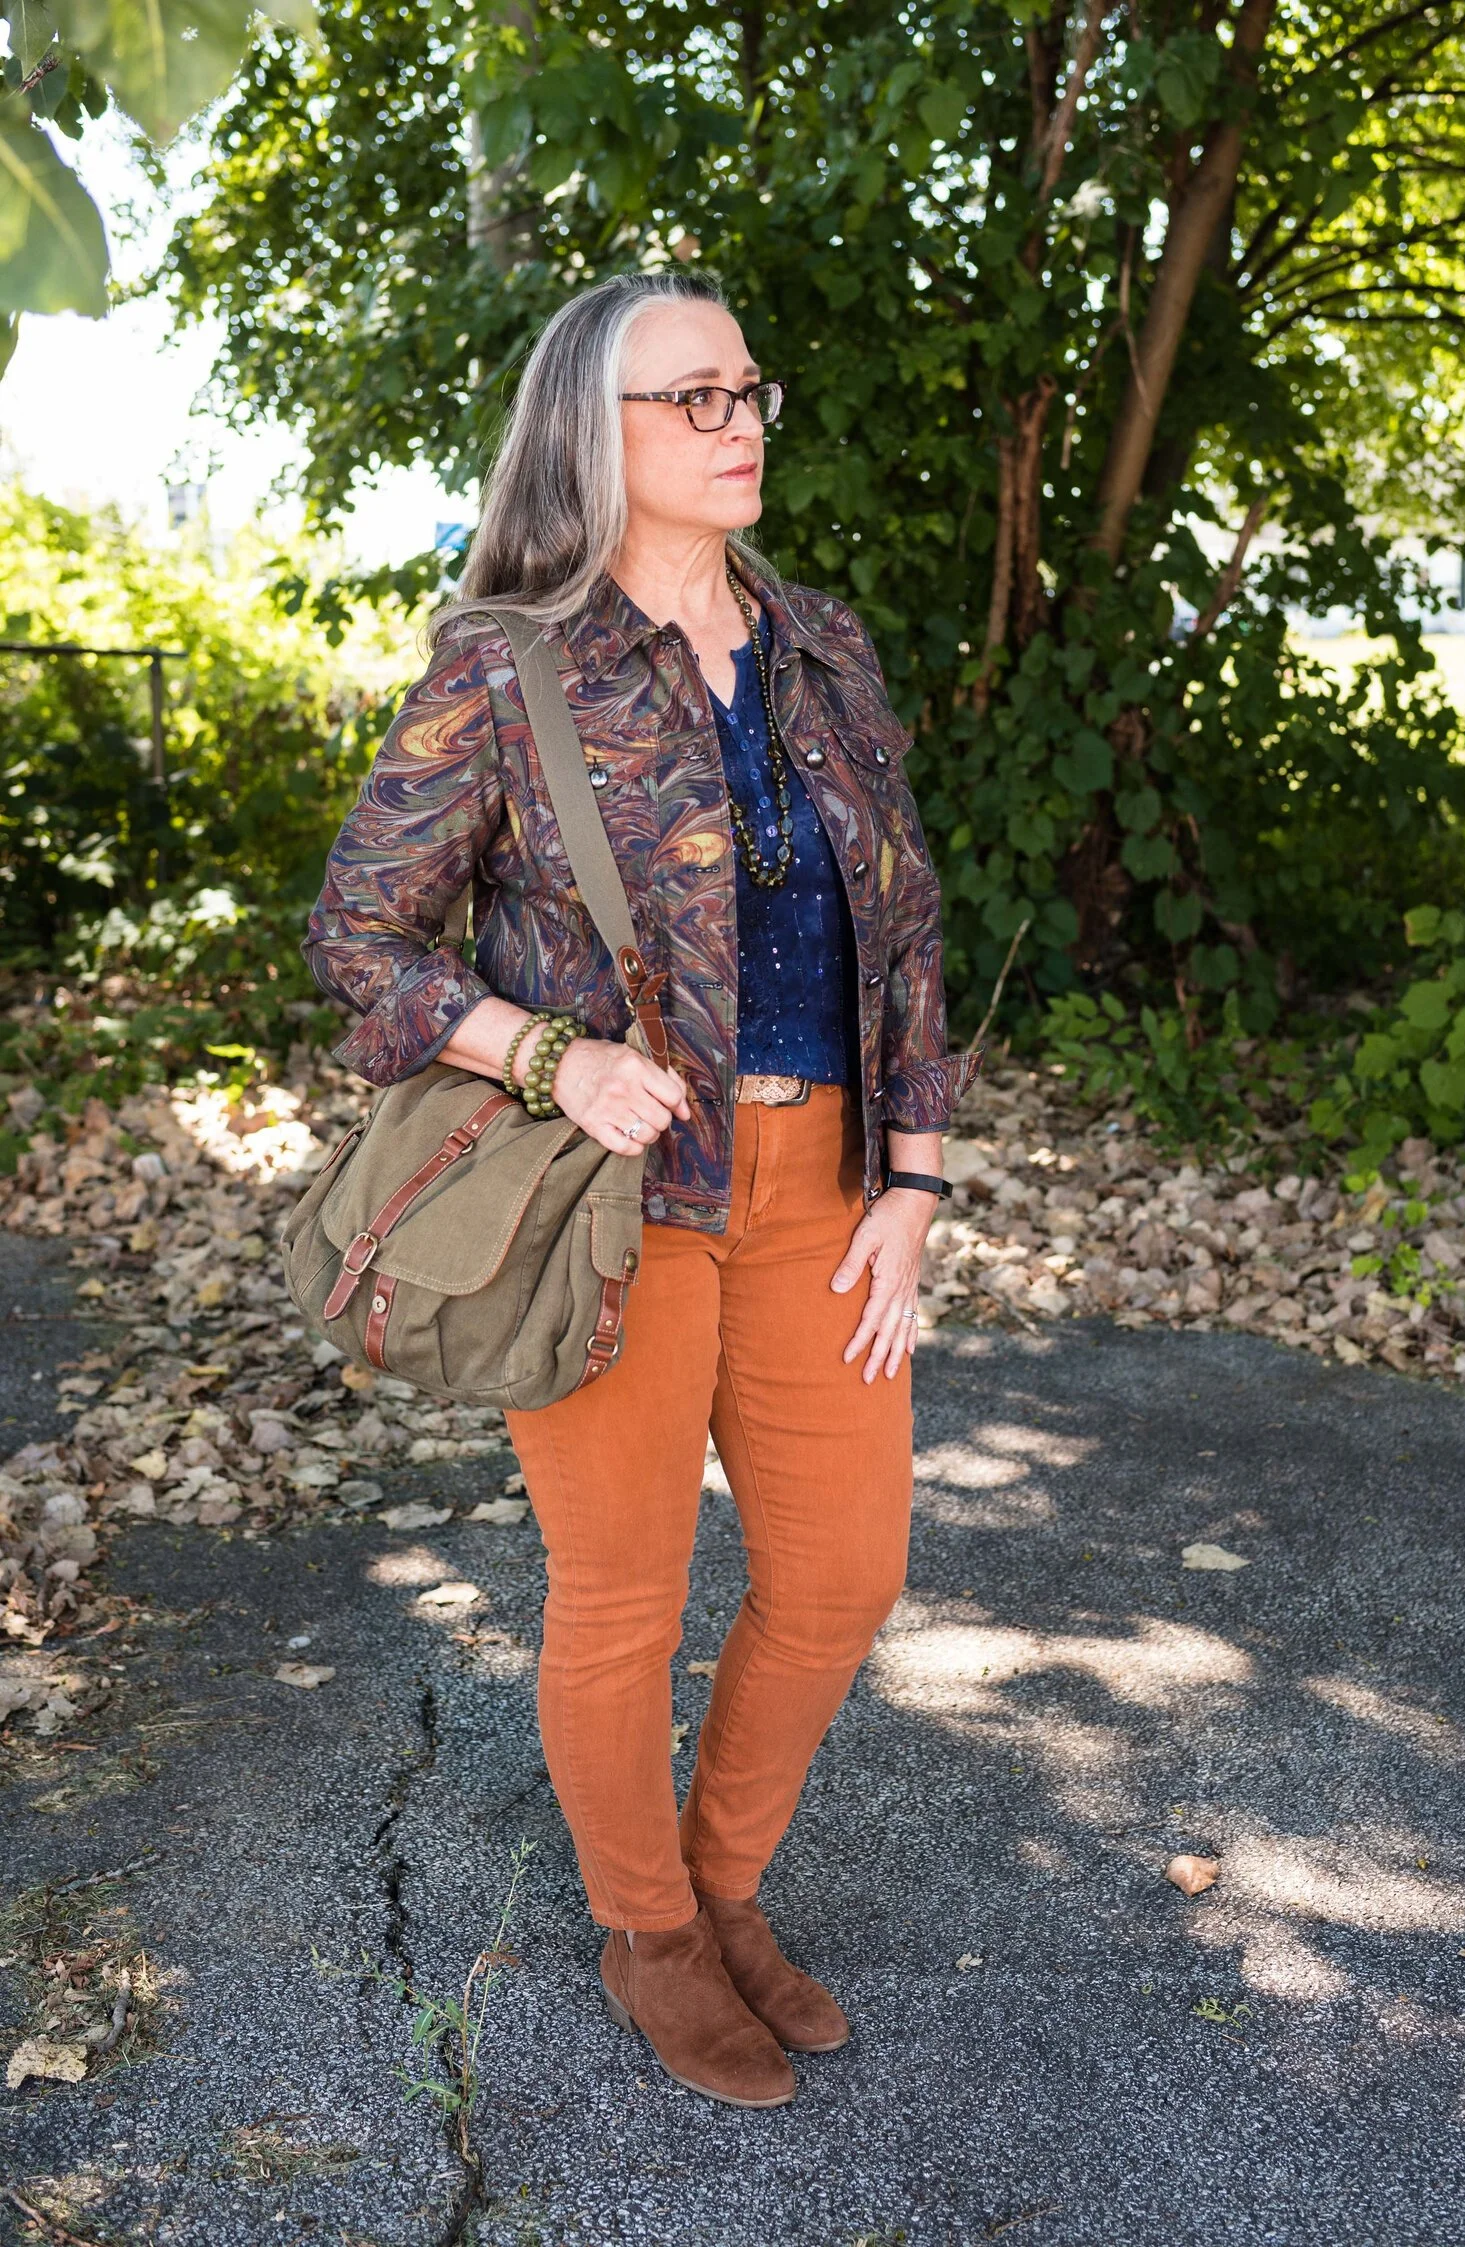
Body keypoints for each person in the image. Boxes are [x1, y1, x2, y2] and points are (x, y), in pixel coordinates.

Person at [303, 269, 979, 2110]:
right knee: (623, 1599)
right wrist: (546, 1056)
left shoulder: (823, 645)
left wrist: (913, 1179)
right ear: (589, 433)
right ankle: (650, 1929)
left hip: (819, 1180)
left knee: (842, 1574)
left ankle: (723, 1884)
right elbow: (359, 931)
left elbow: (908, 927)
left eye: (748, 388)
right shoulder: (510, 665)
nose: (739, 420)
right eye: (694, 396)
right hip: (612, 1197)